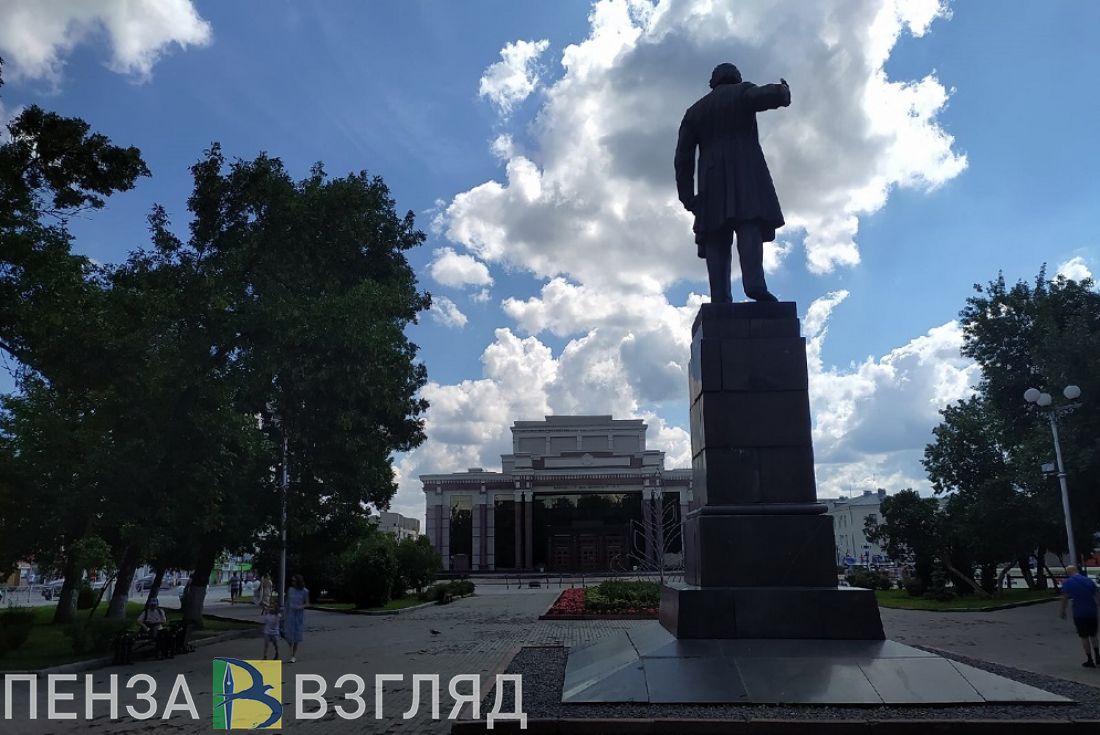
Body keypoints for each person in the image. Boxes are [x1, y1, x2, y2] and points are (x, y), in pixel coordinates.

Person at [674, 63, 791, 303]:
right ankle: (755, 285)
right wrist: (782, 91)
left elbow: (682, 159)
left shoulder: (695, 111)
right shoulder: (742, 91)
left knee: (716, 234)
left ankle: (720, 296)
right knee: (748, 225)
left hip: (711, 179)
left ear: (713, 82)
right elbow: (764, 96)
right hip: (745, 173)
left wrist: (687, 196)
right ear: (736, 78)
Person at [1059, 565, 1099, 668]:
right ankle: (1098, 656)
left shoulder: (1068, 582)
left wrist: (1063, 611)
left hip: (1079, 613)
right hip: (1092, 612)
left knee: (1084, 636)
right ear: (1077, 570)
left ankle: (1090, 660)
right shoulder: (1088, 581)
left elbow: (1065, 598)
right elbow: (1096, 595)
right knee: (1093, 635)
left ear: (1068, 573)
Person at [284, 574, 309, 663]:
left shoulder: (304, 591)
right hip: (290, 614)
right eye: (292, 581)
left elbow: (307, 603)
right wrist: (284, 614)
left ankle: (293, 655)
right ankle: (290, 650)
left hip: (298, 615)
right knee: (288, 636)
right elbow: (287, 602)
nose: (293, 582)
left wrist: (299, 607)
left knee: (296, 636)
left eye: (294, 581)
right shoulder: (290, 590)